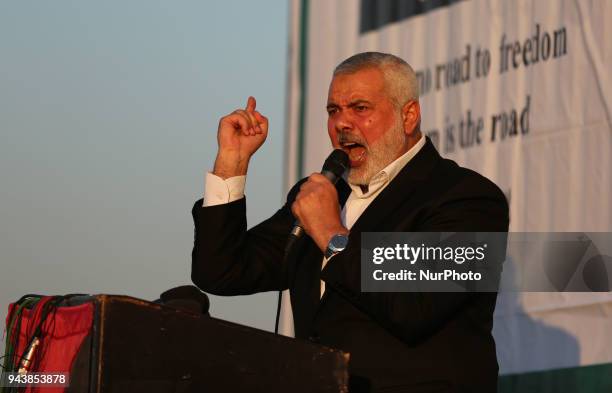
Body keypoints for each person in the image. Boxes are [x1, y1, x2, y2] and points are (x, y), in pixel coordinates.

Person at [191, 52, 509, 392]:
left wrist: (331, 235)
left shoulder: (467, 198)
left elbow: (414, 306)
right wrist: (232, 162)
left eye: (360, 108)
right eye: (333, 111)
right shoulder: (323, 195)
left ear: (409, 115)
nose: (342, 124)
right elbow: (221, 271)